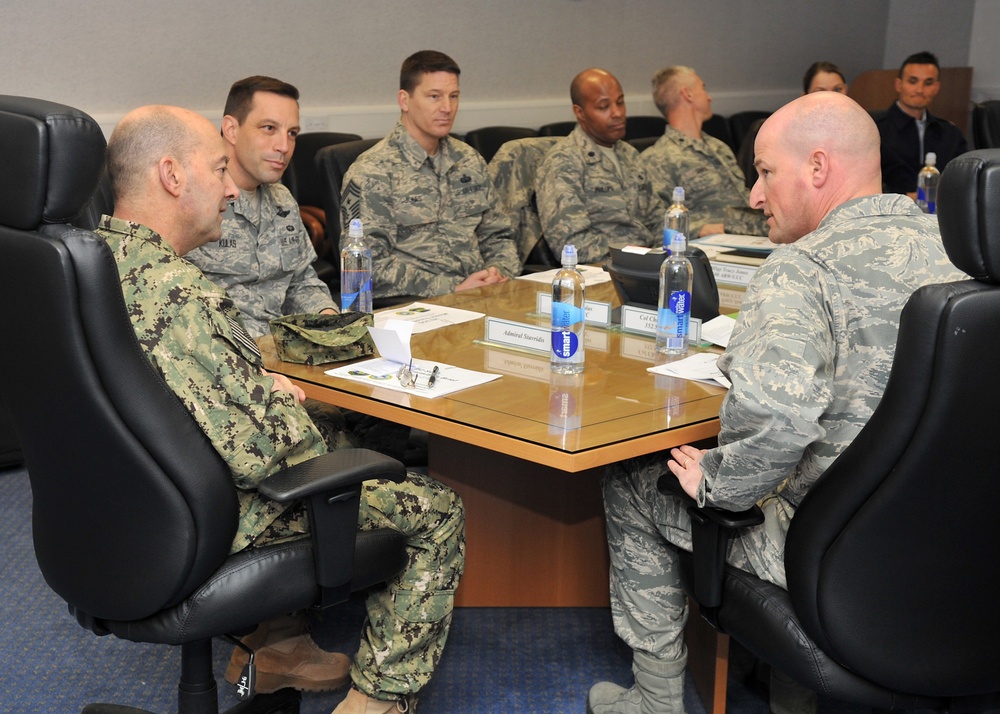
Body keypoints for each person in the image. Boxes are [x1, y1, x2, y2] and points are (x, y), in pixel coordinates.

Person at [588, 91, 965, 714]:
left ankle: (654, 701)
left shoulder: (802, 269)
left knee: (632, 479)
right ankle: (794, 693)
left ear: (818, 168)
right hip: (960, 550)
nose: (755, 196)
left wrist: (718, 481)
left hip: (842, 561)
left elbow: (780, 418)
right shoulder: (959, 249)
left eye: (764, 172)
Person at [97, 105, 465, 714]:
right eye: (218, 169)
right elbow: (274, 452)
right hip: (208, 515)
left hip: (116, 512)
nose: (230, 187)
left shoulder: (88, 263)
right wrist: (278, 403)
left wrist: (255, 387)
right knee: (434, 509)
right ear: (171, 175)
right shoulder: (182, 294)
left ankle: (276, 646)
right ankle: (377, 704)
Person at [339, 50, 520, 300]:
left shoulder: (469, 160)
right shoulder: (372, 172)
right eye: (434, 96)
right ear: (404, 100)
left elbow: (498, 235)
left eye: (453, 96)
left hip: (484, 295)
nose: (447, 108)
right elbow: (364, 266)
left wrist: (497, 275)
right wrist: (452, 289)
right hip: (418, 305)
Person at [186, 76, 337, 340]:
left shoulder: (281, 198)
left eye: (292, 133)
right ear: (231, 130)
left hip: (284, 350)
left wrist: (328, 319)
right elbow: (182, 304)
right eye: (269, 128)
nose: (283, 147)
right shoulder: (194, 198)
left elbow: (300, 282)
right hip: (227, 356)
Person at [535, 68, 661, 264]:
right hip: (605, 269)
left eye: (620, 102)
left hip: (648, 263)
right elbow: (571, 244)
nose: (618, 113)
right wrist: (638, 256)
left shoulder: (630, 155)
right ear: (580, 113)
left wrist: (667, 255)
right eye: (604, 107)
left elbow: (657, 218)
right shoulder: (564, 161)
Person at [639, 66, 768, 239]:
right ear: (688, 94)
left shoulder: (719, 147)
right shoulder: (658, 159)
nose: (709, 97)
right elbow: (656, 228)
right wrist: (707, 229)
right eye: (703, 87)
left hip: (757, 236)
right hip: (715, 247)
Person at [876, 51, 968, 196]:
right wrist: (906, 198)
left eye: (928, 83)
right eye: (913, 81)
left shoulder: (950, 134)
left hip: (940, 215)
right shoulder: (875, 130)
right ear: (899, 84)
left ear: (937, 87)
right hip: (888, 213)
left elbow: (964, 181)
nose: (920, 90)